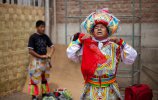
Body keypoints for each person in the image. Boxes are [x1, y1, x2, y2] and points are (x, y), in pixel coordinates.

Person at [66, 8, 137, 100]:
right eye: (96, 27)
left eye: (102, 27)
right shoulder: (86, 45)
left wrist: (121, 42)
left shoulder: (115, 45)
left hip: (110, 90)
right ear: (92, 31)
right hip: (91, 89)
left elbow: (132, 57)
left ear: (108, 31)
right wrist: (80, 40)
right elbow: (70, 54)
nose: (99, 28)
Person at [28, 20, 55, 100]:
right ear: (37, 27)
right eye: (41, 27)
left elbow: (53, 47)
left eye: (44, 27)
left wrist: (49, 55)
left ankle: (44, 95)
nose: (43, 29)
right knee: (34, 79)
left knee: (44, 79)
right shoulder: (33, 37)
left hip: (45, 62)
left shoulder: (46, 37)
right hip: (36, 61)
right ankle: (34, 97)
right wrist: (40, 56)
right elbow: (30, 51)